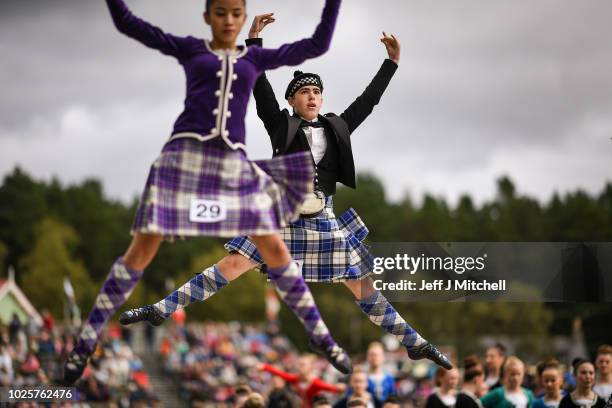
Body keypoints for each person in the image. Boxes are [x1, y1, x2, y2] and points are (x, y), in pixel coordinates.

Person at [122, 12, 452, 370]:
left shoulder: (338, 126)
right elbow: (260, 89)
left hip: (323, 218)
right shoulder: (281, 125)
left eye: (316, 92)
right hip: (281, 214)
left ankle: (414, 342)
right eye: (305, 92)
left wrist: (391, 64)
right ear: (293, 101)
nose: (312, 97)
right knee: (231, 265)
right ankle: (160, 310)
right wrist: (254, 43)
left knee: (363, 287)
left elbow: (367, 101)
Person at [62, 0, 350, 385]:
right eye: (220, 13)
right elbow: (129, 23)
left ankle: (321, 338)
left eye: (235, 13)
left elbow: (317, 43)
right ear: (207, 17)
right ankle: (85, 342)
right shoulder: (191, 49)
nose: (228, 20)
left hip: (233, 163)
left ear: (242, 17)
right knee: (141, 251)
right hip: (184, 155)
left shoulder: (253, 58)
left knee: (274, 247)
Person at [258, 354, 345, 407]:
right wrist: (266, 367)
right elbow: (281, 374)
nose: (299, 367)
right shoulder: (296, 379)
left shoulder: (315, 383)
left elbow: (331, 388)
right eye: (298, 364)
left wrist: (338, 388)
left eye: (302, 365)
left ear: (310, 367)